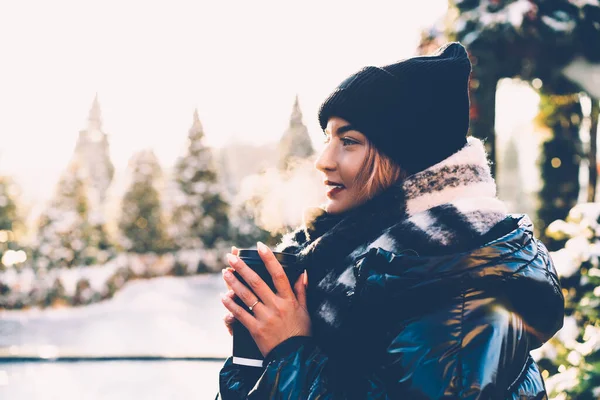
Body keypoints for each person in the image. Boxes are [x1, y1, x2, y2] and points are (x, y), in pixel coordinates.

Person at [216, 42, 564, 399]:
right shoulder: (354, 255)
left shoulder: (460, 281)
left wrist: (288, 353)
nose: (323, 160)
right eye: (327, 138)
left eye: (348, 141)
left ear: (407, 154)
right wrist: (255, 357)